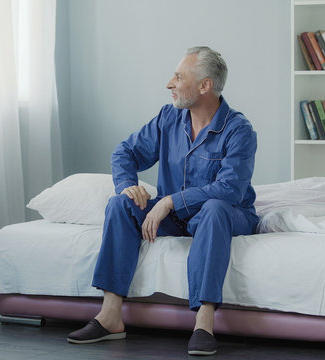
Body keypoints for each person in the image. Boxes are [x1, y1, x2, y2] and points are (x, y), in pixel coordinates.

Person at [67, 46, 259, 356]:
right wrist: (128, 186)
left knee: (213, 208)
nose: (169, 83)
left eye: (178, 76)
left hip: (227, 214)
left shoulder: (239, 130)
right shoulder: (169, 117)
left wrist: (169, 201)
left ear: (204, 85)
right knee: (120, 204)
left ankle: (204, 323)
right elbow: (125, 152)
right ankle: (111, 316)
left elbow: (230, 189)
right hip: (177, 218)